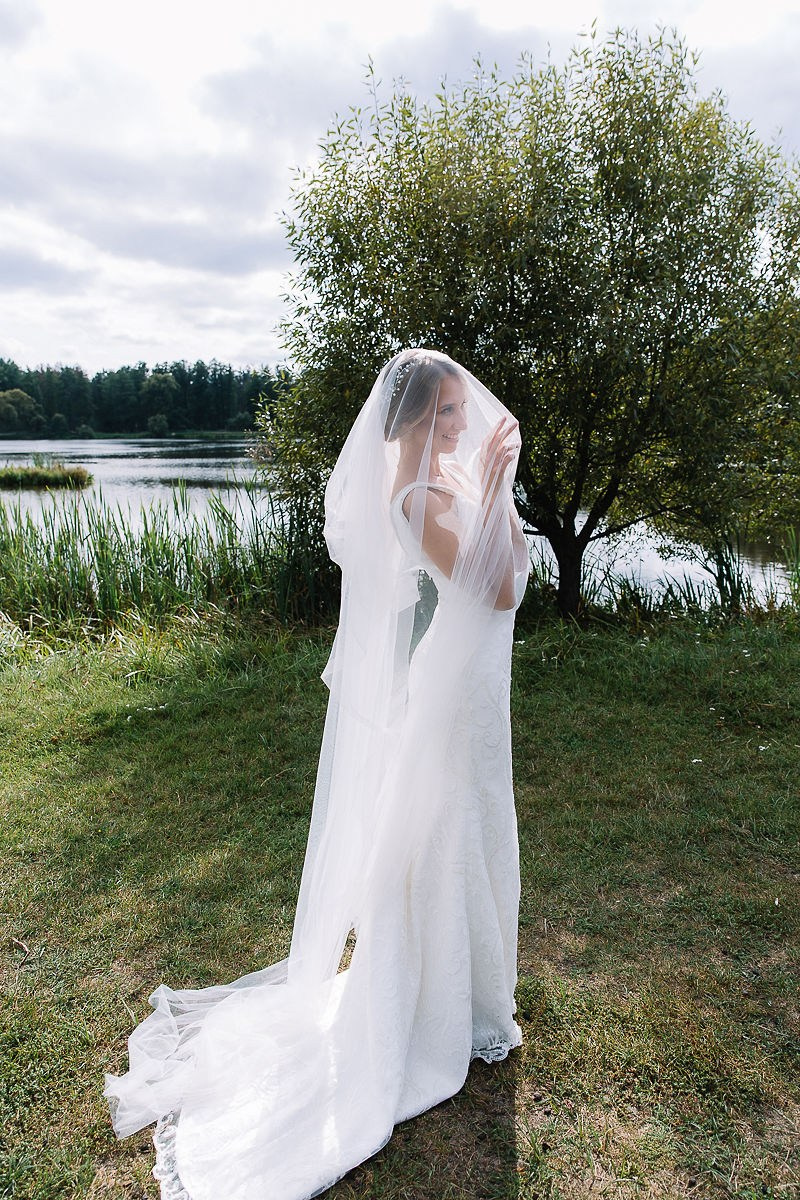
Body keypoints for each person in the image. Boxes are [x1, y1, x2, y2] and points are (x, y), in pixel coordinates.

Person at [104, 348, 529, 1200]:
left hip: (473, 677)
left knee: (469, 817)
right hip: (458, 685)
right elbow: (502, 590)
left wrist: (492, 494)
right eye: (445, 413)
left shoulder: (441, 482)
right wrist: (497, 489)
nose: (460, 423)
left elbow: (508, 570)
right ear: (413, 422)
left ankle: (477, 996)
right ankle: (436, 1003)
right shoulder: (416, 497)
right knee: (447, 829)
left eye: (460, 409)